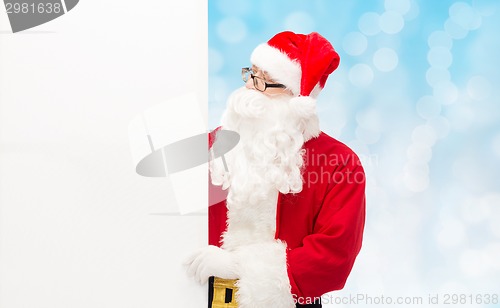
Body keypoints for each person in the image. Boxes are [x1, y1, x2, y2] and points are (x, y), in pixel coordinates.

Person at [185, 31, 366, 308]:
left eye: (264, 82)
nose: (249, 90)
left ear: (297, 100)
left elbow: (335, 255)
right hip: (198, 298)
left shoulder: (340, 163)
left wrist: (239, 267)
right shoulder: (212, 146)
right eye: (251, 75)